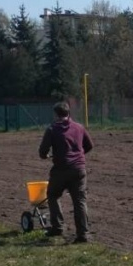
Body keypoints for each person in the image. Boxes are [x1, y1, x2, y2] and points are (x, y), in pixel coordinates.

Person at [38, 101, 94, 243]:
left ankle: (57, 227)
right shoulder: (79, 127)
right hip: (79, 169)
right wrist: (79, 155)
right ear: (68, 113)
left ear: (56, 114)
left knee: (53, 195)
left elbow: (42, 152)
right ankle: (83, 234)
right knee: (80, 201)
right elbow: (89, 145)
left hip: (61, 169)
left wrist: (47, 156)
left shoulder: (52, 129)